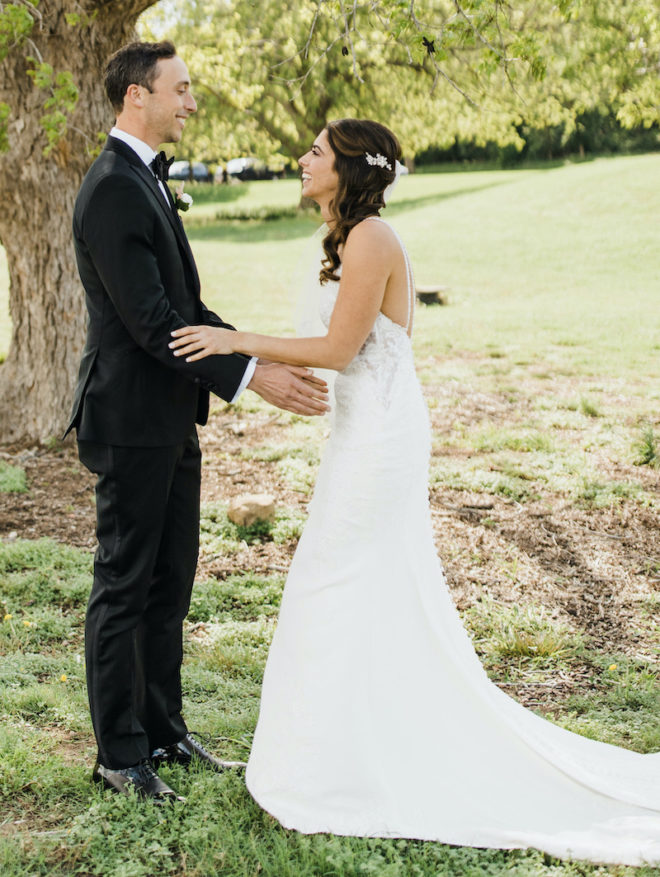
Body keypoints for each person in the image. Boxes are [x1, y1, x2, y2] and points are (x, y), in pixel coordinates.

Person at [169, 119, 660, 864]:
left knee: (332, 581)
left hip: (381, 442)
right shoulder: (339, 237)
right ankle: (342, 752)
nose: (302, 160)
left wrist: (238, 341)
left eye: (316, 152)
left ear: (348, 169)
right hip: (358, 434)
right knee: (347, 586)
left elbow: (340, 347)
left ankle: (340, 766)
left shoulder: (371, 239)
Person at [64, 40, 328, 804]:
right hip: (129, 419)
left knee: (168, 581)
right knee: (124, 585)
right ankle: (120, 755)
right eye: (180, 89)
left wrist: (255, 358)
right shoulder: (113, 187)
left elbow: (187, 311)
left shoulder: (143, 182)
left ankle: (164, 732)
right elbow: (152, 323)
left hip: (172, 416)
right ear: (136, 96)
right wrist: (251, 376)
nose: (191, 102)